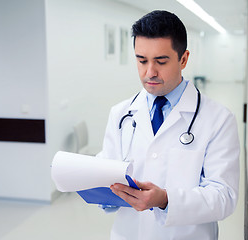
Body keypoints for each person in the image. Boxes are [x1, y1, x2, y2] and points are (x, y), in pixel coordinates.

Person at [97, 10, 240, 240]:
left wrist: (165, 200)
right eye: (141, 60)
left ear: (183, 59)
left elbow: (224, 197)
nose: (149, 72)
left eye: (160, 61)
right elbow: (108, 175)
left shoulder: (219, 119)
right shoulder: (121, 114)